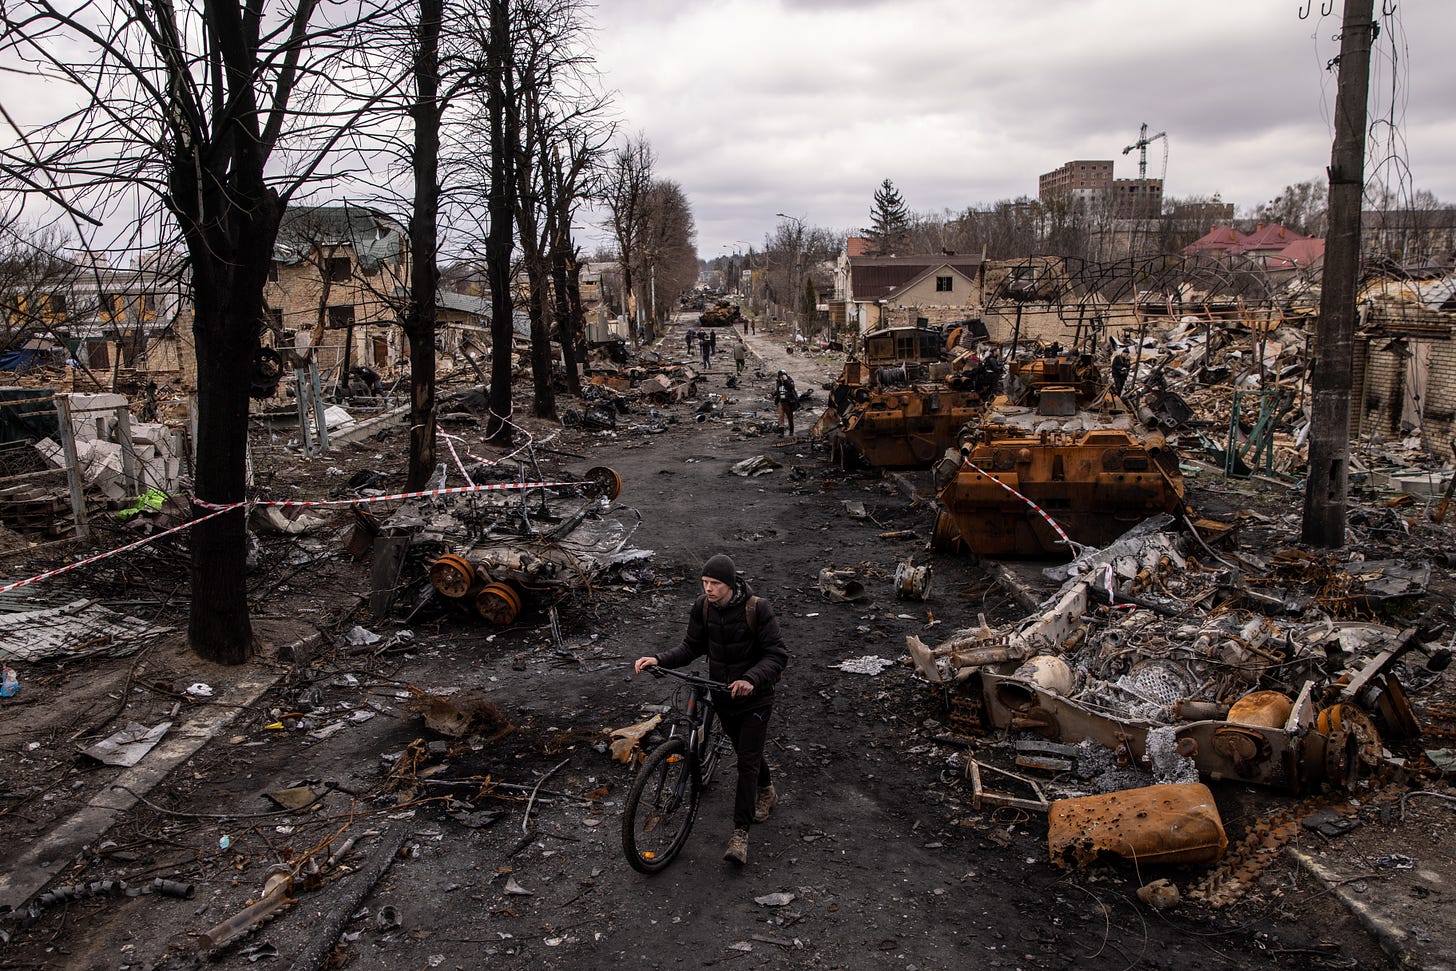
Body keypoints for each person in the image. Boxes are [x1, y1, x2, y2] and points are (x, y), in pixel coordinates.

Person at [634, 554, 788, 865]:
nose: (708, 589)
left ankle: (740, 833)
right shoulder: (702, 607)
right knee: (747, 751)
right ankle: (767, 789)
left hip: (755, 699)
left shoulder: (758, 609)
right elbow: (691, 647)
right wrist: (659, 659)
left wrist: (750, 678)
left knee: (746, 762)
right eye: (705, 583)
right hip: (722, 695)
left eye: (714, 584)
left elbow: (777, 655)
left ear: (730, 584)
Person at [773, 369, 799, 436]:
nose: (781, 378)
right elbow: (778, 390)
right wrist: (772, 394)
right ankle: (781, 432)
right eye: (780, 376)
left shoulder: (789, 381)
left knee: (789, 416)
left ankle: (791, 430)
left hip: (788, 401)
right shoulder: (778, 382)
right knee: (780, 416)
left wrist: (785, 380)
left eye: (782, 376)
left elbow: (791, 387)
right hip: (781, 401)